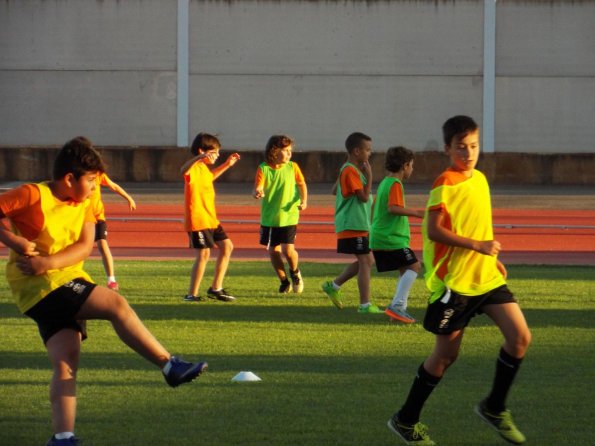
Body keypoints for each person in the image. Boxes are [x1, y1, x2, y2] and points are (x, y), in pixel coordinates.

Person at [0, 137, 207, 446]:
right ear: (70, 179)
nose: (97, 187)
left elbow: (84, 247)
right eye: (92, 180)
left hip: (56, 279)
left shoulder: (84, 202)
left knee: (66, 363)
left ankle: (63, 437)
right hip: (41, 286)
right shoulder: (33, 194)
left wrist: (48, 262)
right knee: (115, 305)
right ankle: (168, 365)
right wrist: (14, 241)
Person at [387, 116, 531, 445]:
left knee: (520, 337)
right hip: (454, 285)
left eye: (474, 146)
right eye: (461, 147)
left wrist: (491, 257)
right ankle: (405, 420)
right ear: (447, 148)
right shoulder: (445, 183)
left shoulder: (480, 179)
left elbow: (478, 226)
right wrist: (477, 246)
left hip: (486, 278)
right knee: (445, 357)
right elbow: (435, 229)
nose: (468, 153)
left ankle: (494, 407)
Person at [321, 132, 382, 314]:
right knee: (365, 261)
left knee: (368, 260)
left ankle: (334, 285)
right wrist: (370, 176)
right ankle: (364, 305)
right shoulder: (350, 170)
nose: (369, 153)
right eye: (367, 150)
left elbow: (334, 190)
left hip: (359, 224)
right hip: (352, 224)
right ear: (357, 151)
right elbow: (363, 197)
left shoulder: (348, 170)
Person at [181, 132, 240, 302]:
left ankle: (216, 288)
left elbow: (210, 178)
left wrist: (227, 165)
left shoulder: (204, 170)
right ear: (203, 151)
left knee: (227, 246)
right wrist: (198, 157)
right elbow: (182, 170)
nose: (218, 155)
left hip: (211, 219)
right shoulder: (194, 168)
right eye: (215, 152)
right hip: (198, 219)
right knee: (204, 254)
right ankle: (191, 294)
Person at [370, 146, 424, 324]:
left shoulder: (386, 182)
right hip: (390, 237)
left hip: (383, 235)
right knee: (414, 266)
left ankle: (398, 312)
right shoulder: (395, 184)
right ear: (405, 165)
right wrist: (418, 213)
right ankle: (398, 306)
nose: (412, 169)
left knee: (405, 269)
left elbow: (376, 206)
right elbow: (393, 208)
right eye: (412, 166)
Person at [253, 135, 308, 293]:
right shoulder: (264, 168)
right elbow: (258, 186)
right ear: (274, 151)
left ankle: (295, 272)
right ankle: (284, 281)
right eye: (285, 150)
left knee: (288, 250)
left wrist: (304, 201)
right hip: (270, 218)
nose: (289, 153)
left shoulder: (293, 167)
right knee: (273, 251)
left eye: (290, 150)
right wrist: (258, 191)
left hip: (289, 215)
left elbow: (301, 184)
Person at [88, 171, 137, 291]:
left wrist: (128, 198)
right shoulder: (77, 176)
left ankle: (111, 280)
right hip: (81, 218)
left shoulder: (98, 175)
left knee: (102, 244)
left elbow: (113, 185)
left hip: (98, 217)